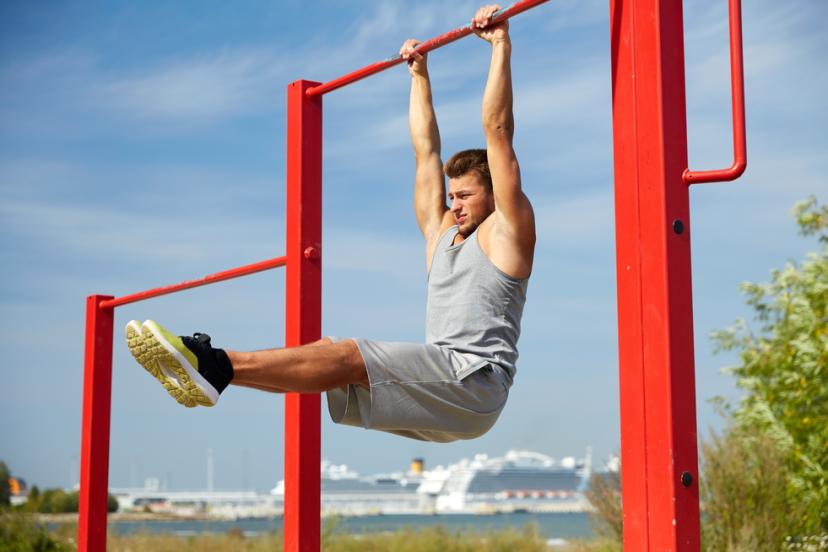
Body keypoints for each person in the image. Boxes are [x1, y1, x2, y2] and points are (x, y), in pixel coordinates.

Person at [125, 4, 535, 443]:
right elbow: (425, 153)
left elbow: (498, 132)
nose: (454, 205)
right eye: (451, 196)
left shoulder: (507, 231)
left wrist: (499, 46)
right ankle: (214, 377)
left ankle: (214, 363)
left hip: (475, 383)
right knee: (327, 357)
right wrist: (418, 77)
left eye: (465, 196)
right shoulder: (441, 235)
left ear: (493, 195)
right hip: (442, 384)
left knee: (348, 355)